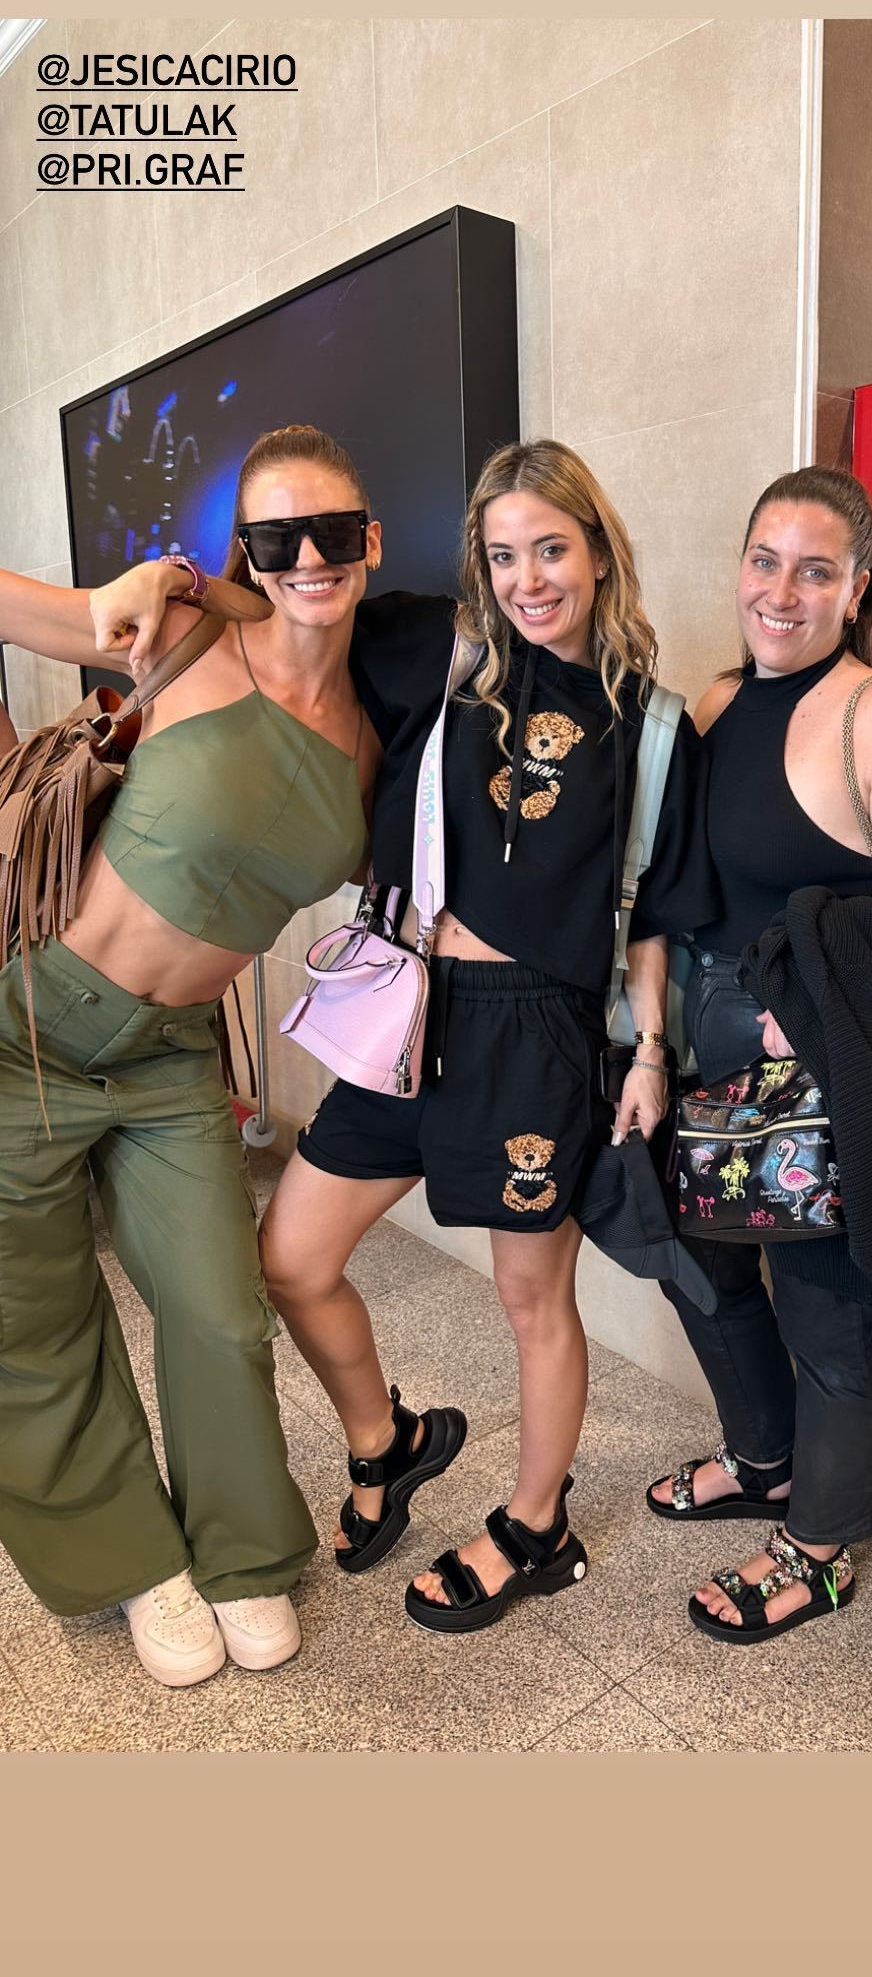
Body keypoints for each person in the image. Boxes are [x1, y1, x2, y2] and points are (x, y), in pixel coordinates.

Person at [240, 440, 714, 1632]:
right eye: (503, 556)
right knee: (292, 1255)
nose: (527, 579)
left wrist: (651, 1051)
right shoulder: (438, 654)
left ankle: (535, 1525)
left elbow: (654, 913)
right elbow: (286, 606)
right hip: (407, 1013)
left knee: (529, 1298)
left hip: (534, 1037)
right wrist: (171, 588)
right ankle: (387, 1439)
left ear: (598, 552)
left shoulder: (653, 727)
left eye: (550, 549)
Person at [0, 423, 383, 1688]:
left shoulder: (369, 743)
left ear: (371, 541)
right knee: (29, 1317)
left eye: (334, 531)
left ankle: (238, 1548)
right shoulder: (180, 635)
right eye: (278, 538)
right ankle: (132, 1560)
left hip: (169, 1058)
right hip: (24, 1028)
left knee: (220, 1311)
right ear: (248, 555)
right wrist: (133, 586)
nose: (310, 558)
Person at [646, 468, 872, 1641]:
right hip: (700, 1043)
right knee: (697, 1264)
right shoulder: (720, 700)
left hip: (815, 1055)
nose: (782, 592)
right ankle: (764, 1459)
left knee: (825, 1311)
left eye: (815, 570)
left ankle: (822, 1545)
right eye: (766, 561)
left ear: (855, 587)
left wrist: (819, 975)